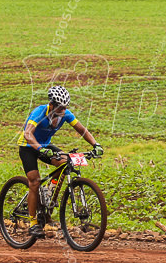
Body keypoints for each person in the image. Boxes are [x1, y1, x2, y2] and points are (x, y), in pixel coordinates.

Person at [18, 85, 103, 237]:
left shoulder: (65, 114)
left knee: (66, 161)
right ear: (51, 104)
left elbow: (82, 130)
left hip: (45, 146)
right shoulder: (39, 112)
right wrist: (39, 148)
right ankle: (32, 223)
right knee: (34, 181)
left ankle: (49, 191)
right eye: (59, 107)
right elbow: (28, 134)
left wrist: (95, 145)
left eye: (65, 107)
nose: (62, 110)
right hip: (29, 146)